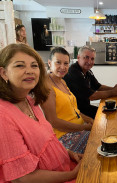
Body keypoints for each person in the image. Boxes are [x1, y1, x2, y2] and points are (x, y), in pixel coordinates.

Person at [0, 44, 81, 182]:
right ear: (4, 73)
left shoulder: (30, 101)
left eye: (34, 65)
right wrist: (73, 174)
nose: (30, 71)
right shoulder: (3, 116)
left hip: (65, 167)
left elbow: (47, 142)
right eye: (20, 65)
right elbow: (22, 178)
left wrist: (69, 154)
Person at [41, 47, 93, 154]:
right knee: (101, 141)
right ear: (49, 63)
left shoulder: (62, 82)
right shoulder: (47, 87)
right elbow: (53, 121)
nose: (62, 67)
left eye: (66, 63)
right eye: (58, 63)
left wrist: (89, 120)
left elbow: (74, 110)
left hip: (78, 129)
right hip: (64, 137)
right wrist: (83, 127)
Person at [64, 46, 117, 119]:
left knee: (113, 112)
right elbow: (92, 96)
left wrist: (114, 88)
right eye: (86, 57)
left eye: (92, 59)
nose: (89, 62)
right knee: (108, 116)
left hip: (85, 108)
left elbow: (98, 86)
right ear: (78, 57)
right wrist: (113, 91)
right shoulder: (74, 72)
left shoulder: (87, 71)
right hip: (76, 113)